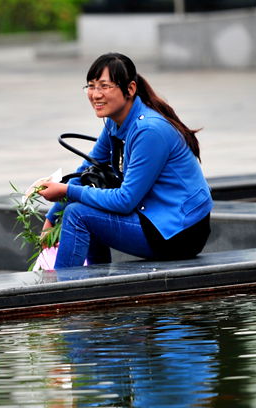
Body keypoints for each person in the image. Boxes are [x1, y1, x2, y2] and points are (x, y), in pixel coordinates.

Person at [37, 52, 213, 269]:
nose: (95, 94)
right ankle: (96, 285)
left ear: (129, 89)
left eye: (104, 86)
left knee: (78, 215)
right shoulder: (114, 122)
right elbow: (85, 172)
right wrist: (52, 217)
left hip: (180, 231)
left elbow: (125, 200)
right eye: (91, 86)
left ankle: (62, 293)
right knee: (82, 204)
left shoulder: (150, 131)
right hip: (156, 217)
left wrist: (66, 192)